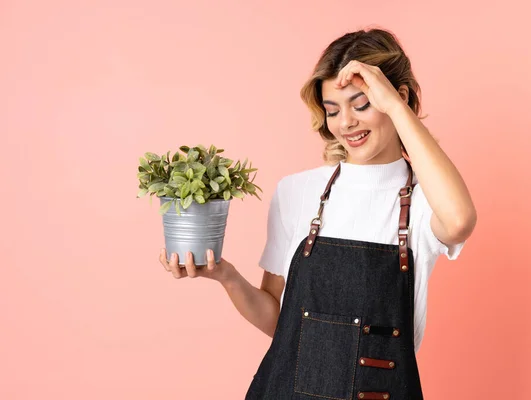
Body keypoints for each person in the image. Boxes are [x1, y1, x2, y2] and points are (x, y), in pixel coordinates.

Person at [159, 27, 477, 399]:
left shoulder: (425, 202)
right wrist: (227, 276)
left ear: (399, 97)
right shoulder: (298, 192)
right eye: (332, 110)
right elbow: (281, 322)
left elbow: (459, 221)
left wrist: (394, 105)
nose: (346, 123)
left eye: (362, 104)